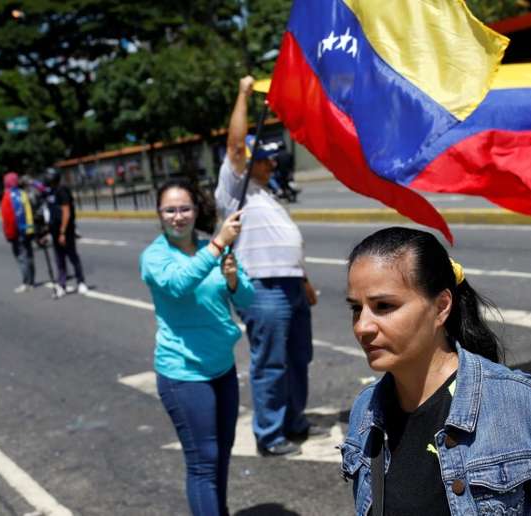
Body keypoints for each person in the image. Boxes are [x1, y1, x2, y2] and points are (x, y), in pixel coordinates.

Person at [341, 227, 531, 516]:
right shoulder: (366, 411)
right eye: (356, 309)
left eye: (384, 306)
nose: (362, 326)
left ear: (442, 307)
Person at [214, 75, 324, 457]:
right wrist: (243, 93)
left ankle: (294, 419)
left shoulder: (268, 194)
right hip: (262, 288)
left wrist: (304, 280)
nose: (270, 162)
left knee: (298, 357)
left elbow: (284, 243)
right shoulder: (234, 188)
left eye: (270, 157)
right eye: (262, 157)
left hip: (291, 286)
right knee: (271, 362)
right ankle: (270, 433)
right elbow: (234, 145)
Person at [140, 179, 252, 516]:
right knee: (203, 461)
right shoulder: (155, 256)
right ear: (159, 215)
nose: (178, 216)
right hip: (184, 373)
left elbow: (248, 299)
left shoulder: (212, 248)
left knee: (222, 454)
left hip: (222, 367)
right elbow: (178, 284)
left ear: (196, 210)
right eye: (169, 210)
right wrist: (218, 245)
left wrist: (233, 279)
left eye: (184, 208)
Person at [44, 168, 88, 298]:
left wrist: (63, 232)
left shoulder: (62, 190)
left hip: (65, 230)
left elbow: (66, 212)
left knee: (72, 256)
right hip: (54, 230)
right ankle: (61, 285)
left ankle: (81, 282)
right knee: (59, 259)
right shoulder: (50, 192)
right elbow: (50, 213)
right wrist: (47, 232)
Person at [0, 171, 36, 292]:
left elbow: (8, 218)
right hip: (28, 230)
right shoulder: (22, 193)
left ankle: (26, 283)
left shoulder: (7, 197)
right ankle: (32, 282)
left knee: (21, 257)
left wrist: (9, 235)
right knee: (29, 255)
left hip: (17, 232)